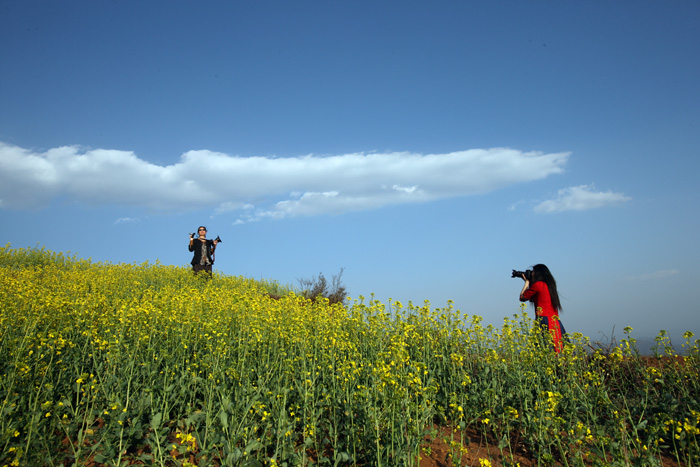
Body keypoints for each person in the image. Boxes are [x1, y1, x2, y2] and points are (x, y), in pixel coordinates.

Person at [518, 264, 567, 352]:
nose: (531, 273)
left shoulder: (538, 285)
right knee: (559, 347)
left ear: (537, 273)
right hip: (555, 321)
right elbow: (533, 299)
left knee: (546, 348)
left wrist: (527, 283)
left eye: (533, 272)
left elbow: (522, 297)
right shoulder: (549, 285)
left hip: (544, 319)